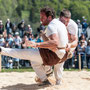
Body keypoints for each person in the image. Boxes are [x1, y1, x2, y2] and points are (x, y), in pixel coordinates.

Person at [0, 6, 68, 85]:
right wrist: (44, 36)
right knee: (38, 60)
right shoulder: (60, 24)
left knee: (26, 53)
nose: (40, 19)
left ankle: (2, 50)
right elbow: (59, 43)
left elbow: (55, 42)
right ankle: (57, 80)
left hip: (54, 56)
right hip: (64, 55)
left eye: (42, 17)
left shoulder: (51, 25)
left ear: (49, 17)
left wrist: (36, 44)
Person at [35, 9, 78, 85]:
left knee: (59, 64)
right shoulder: (55, 23)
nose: (66, 24)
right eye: (64, 21)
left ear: (70, 19)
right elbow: (48, 37)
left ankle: (58, 81)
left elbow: (75, 41)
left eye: (67, 21)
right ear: (59, 18)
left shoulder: (73, 25)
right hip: (58, 46)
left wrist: (70, 45)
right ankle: (49, 73)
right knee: (50, 58)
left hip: (68, 46)